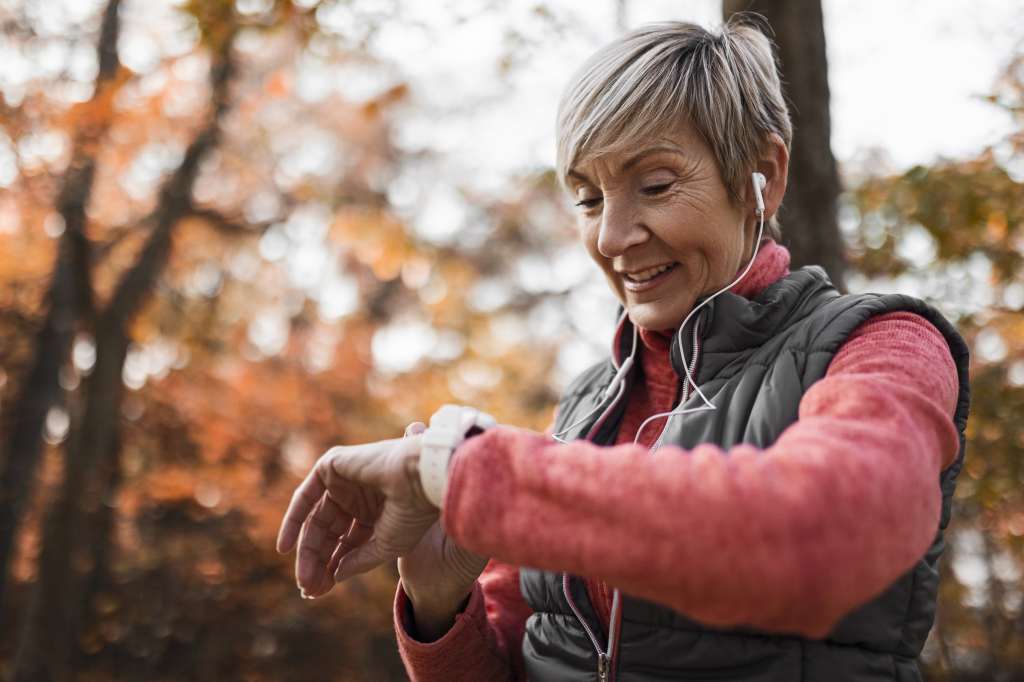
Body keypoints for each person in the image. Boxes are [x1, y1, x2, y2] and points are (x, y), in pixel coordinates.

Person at [276, 17, 969, 682]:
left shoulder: (883, 345)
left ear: (763, 174)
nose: (611, 237)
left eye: (656, 186)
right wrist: (439, 603)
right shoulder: (585, 405)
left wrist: (459, 472)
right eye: (586, 199)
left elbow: (820, 537)